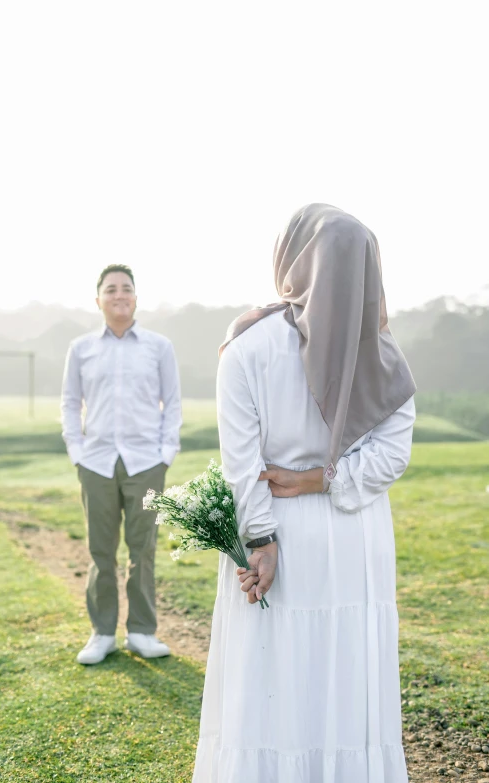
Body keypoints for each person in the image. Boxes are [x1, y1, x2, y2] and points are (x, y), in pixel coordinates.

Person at [193, 204, 416, 782]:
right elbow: (392, 455)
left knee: (272, 680)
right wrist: (326, 479)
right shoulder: (385, 358)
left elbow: (242, 469)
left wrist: (260, 543)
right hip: (355, 536)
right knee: (346, 678)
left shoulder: (245, 346)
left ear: (292, 259)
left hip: (279, 535)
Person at [61, 264, 182, 665]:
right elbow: (69, 403)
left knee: (143, 549)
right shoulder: (80, 349)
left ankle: (143, 632)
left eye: (126, 288)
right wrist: (76, 451)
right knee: (101, 551)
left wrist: (166, 453)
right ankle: (102, 633)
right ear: (98, 300)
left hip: (147, 462)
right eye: (110, 289)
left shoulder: (158, 346)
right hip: (95, 462)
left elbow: (173, 402)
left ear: (135, 297)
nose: (119, 294)